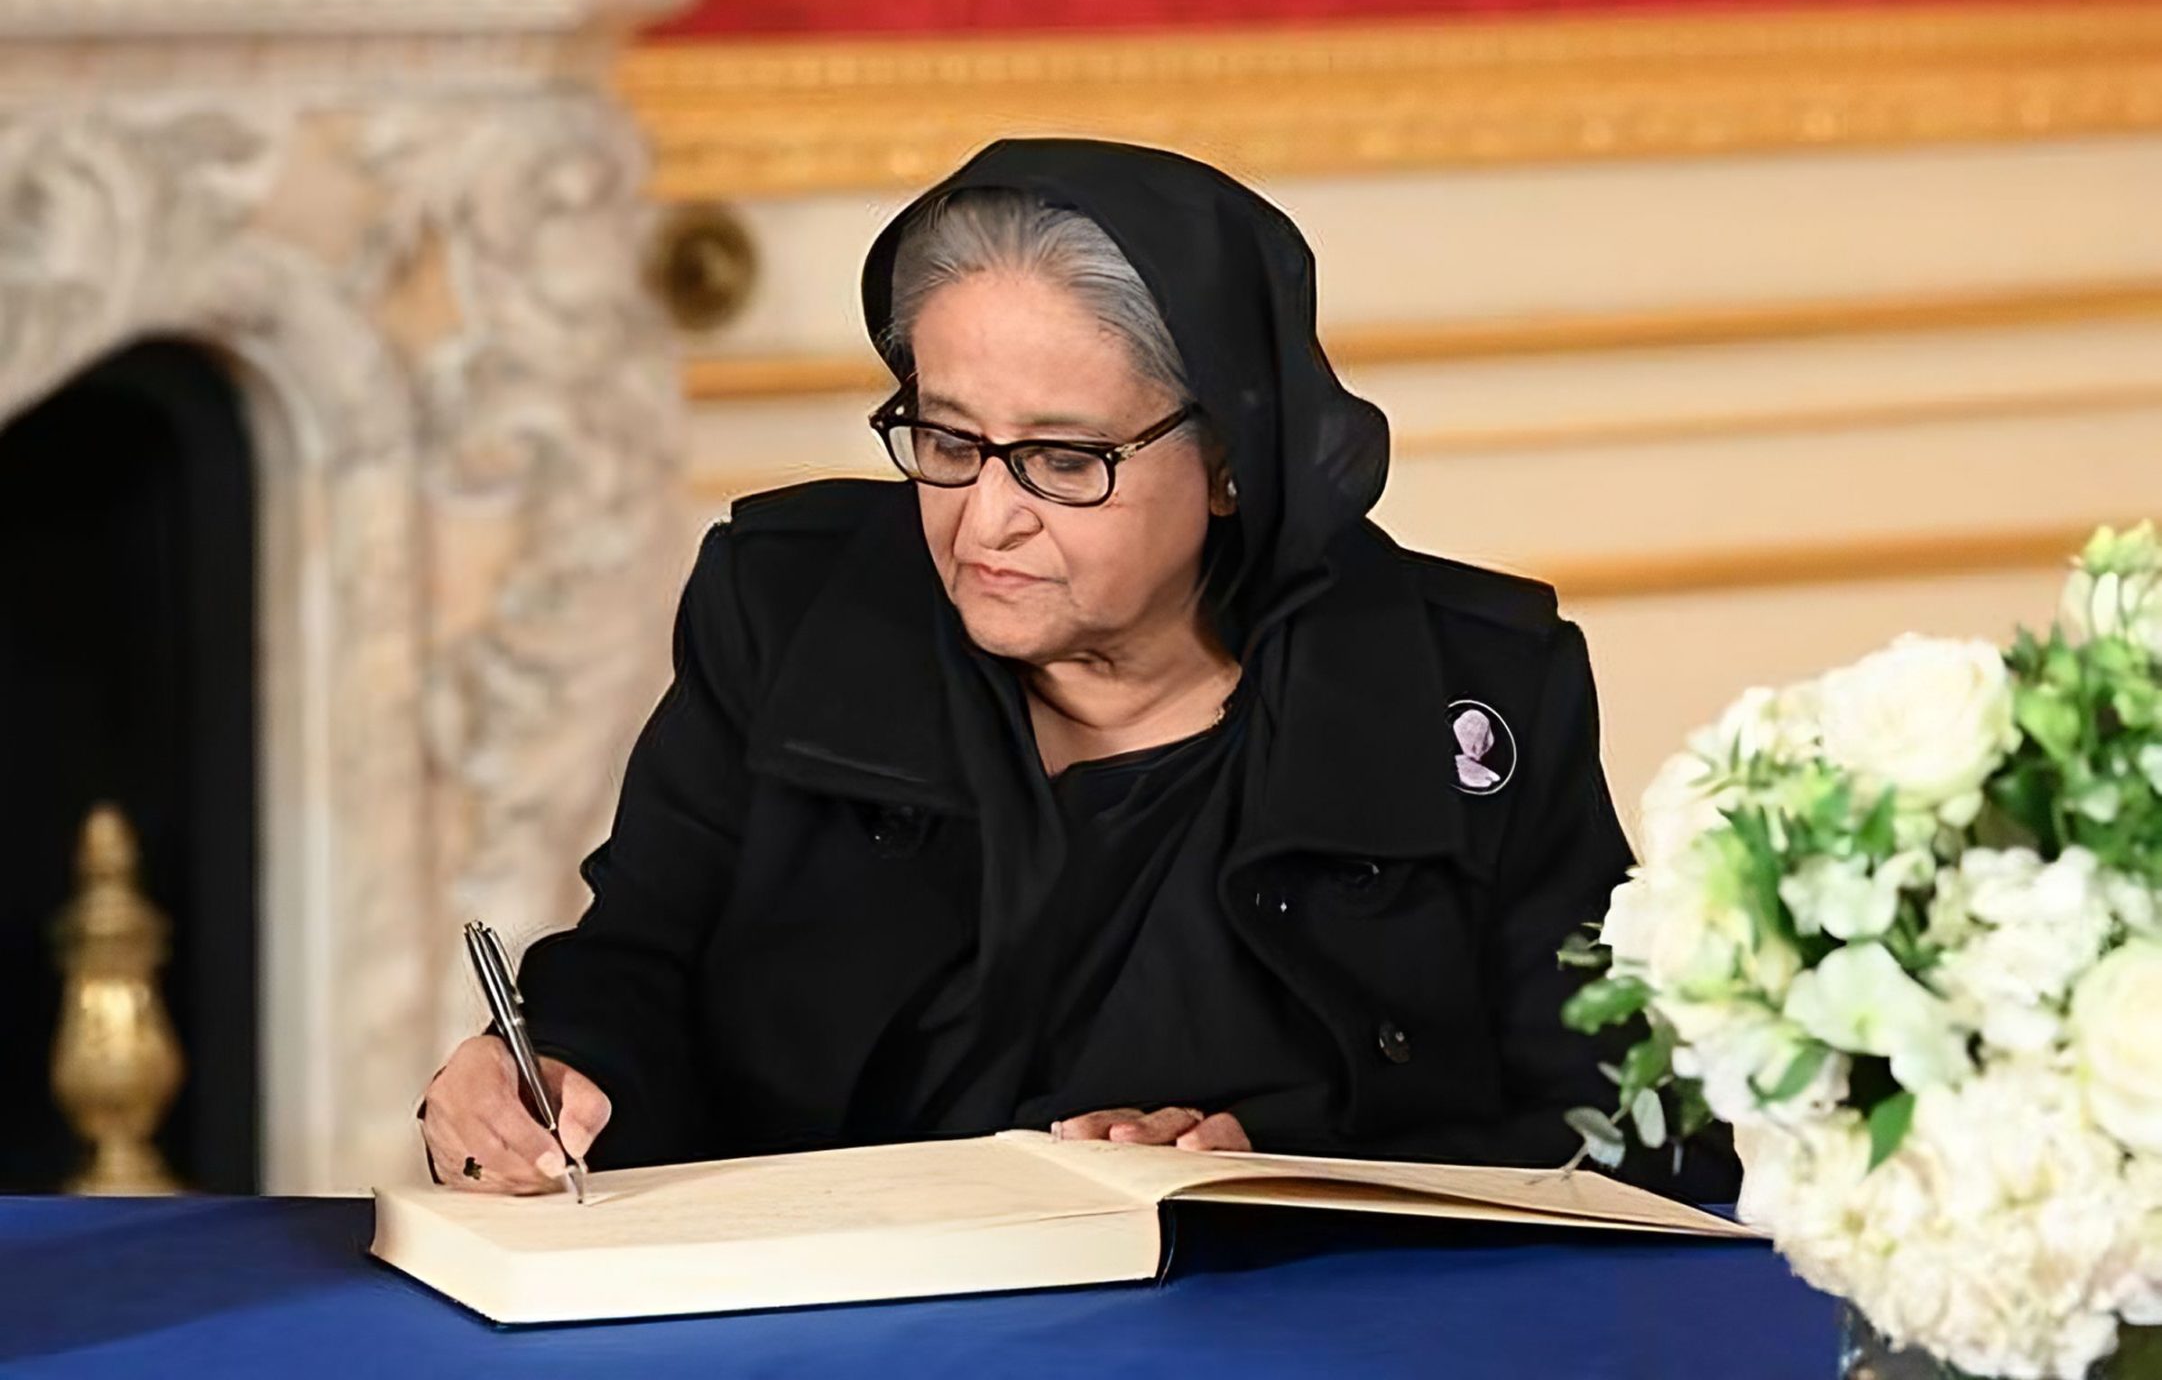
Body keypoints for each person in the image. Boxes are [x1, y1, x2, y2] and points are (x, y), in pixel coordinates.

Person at [416, 138, 1736, 1201]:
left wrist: (1282, 1173)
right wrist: (557, 1069)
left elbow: (1635, 1130)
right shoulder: (788, 607)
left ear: (1230, 462)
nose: (984, 521)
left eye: (1062, 460)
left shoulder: (1464, 687)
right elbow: (642, 959)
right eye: (946, 441)